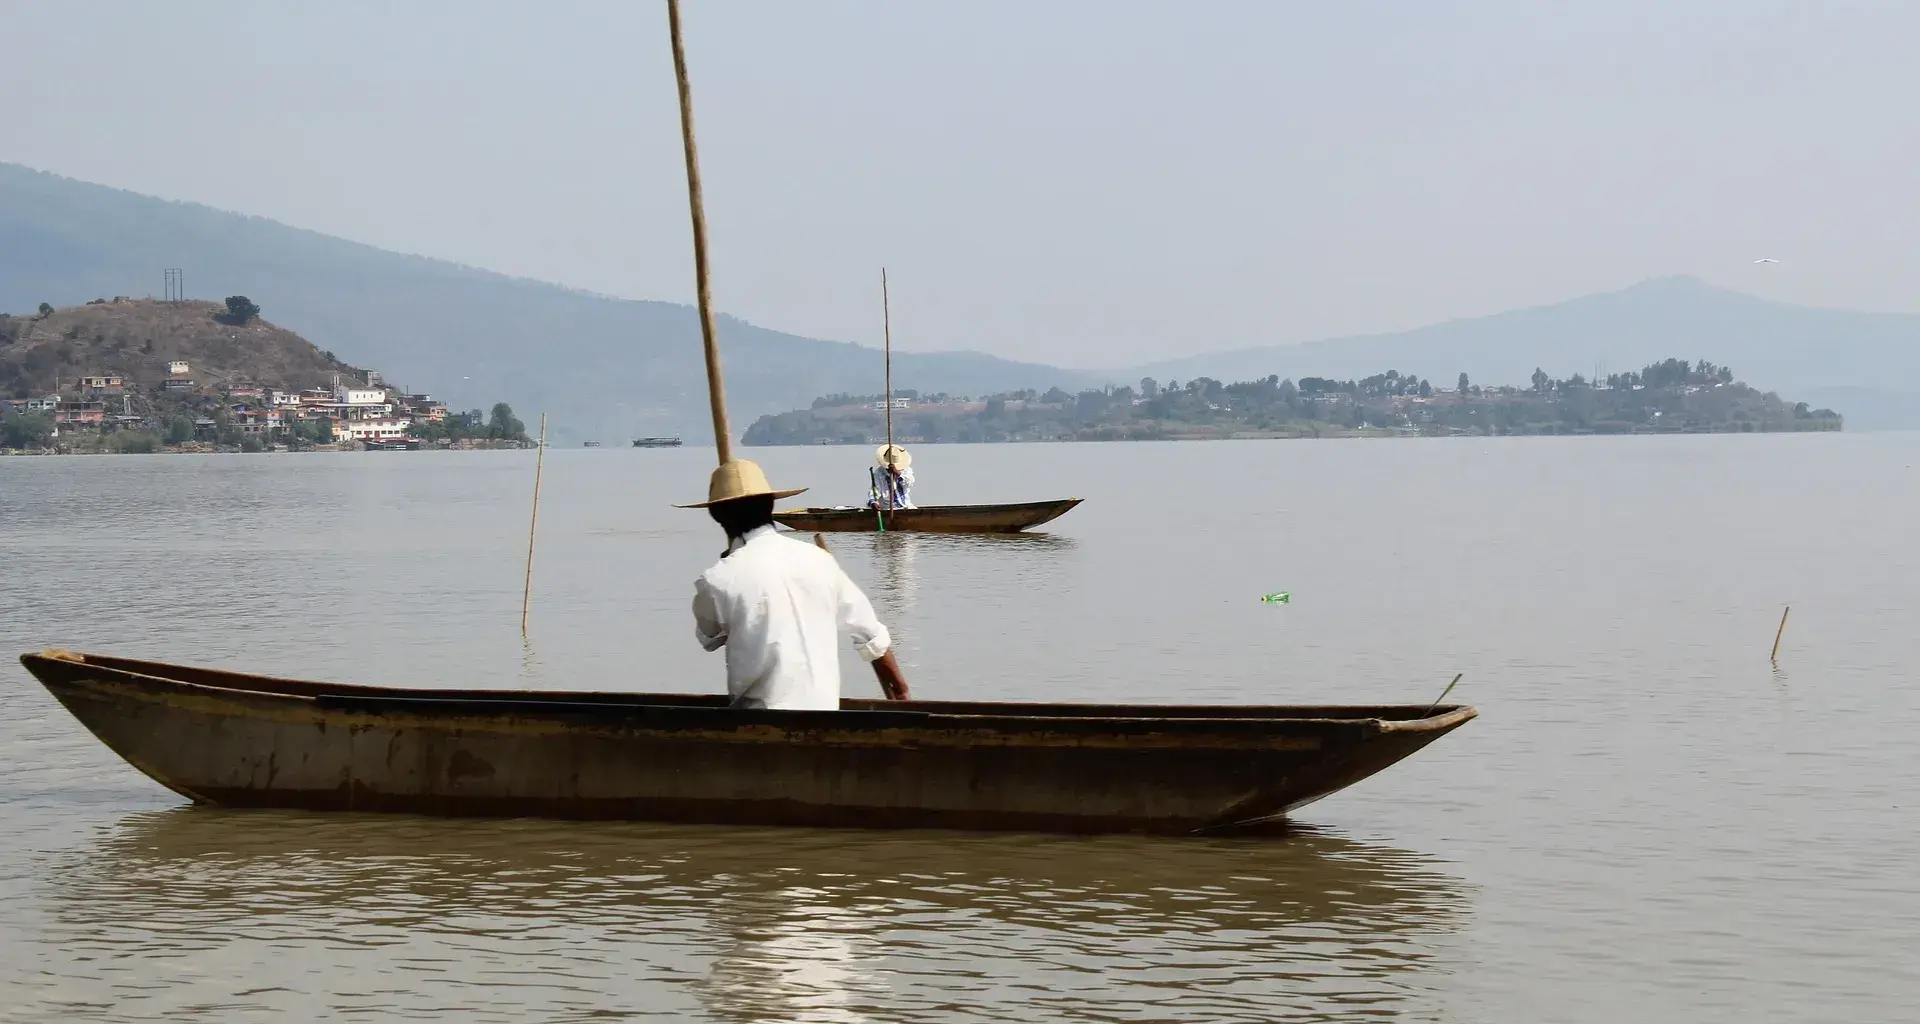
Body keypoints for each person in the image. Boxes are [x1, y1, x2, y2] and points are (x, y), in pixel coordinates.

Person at [682, 459, 911, 709]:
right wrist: (901, 694)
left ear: (717, 516)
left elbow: (710, 637)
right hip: (825, 716)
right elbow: (872, 635)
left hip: (756, 726)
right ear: (770, 504)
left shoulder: (717, 579)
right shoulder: (820, 561)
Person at [867, 444, 915, 510]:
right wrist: (873, 502)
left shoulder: (906, 470)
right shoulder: (879, 473)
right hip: (887, 508)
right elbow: (874, 491)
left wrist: (897, 473)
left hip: (906, 506)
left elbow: (909, 483)